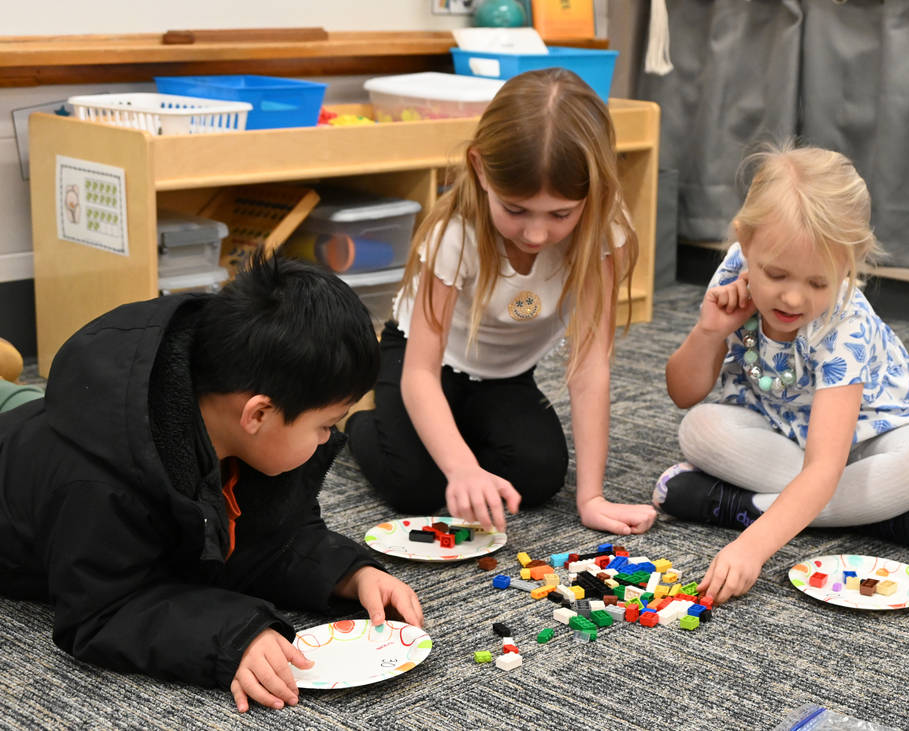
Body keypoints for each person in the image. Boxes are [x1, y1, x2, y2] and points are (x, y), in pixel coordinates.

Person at [0, 251, 423, 713]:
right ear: (258, 413)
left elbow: (270, 537)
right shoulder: (102, 486)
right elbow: (102, 610)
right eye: (325, 425)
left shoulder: (239, 424)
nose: (329, 440)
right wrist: (231, 636)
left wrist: (346, 572)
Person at [346, 68, 657, 536]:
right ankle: (356, 420)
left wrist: (591, 496)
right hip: (421, 363)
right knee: (413, 486)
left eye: (560, 215)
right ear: (480, 168)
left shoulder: (601, 234)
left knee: (538, 475)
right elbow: (420, 374)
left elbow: (590, 366)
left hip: (505, 374)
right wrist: (461, 468)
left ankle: (459, 436)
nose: (536, 234)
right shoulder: (456, 235)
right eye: (515, 209)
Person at [657, 143, 909, 604]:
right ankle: (885, 519)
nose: (794, 300)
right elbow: (684, 392)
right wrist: (708, 332)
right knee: (699, 428)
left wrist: (752, 546)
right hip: (777, 427)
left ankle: (743, 509)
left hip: (868, 437)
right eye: (776, 275)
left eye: (819, 282)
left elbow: (825, 467)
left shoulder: (847, 325)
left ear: (850, 261)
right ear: (744, 240)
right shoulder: (734, 272)